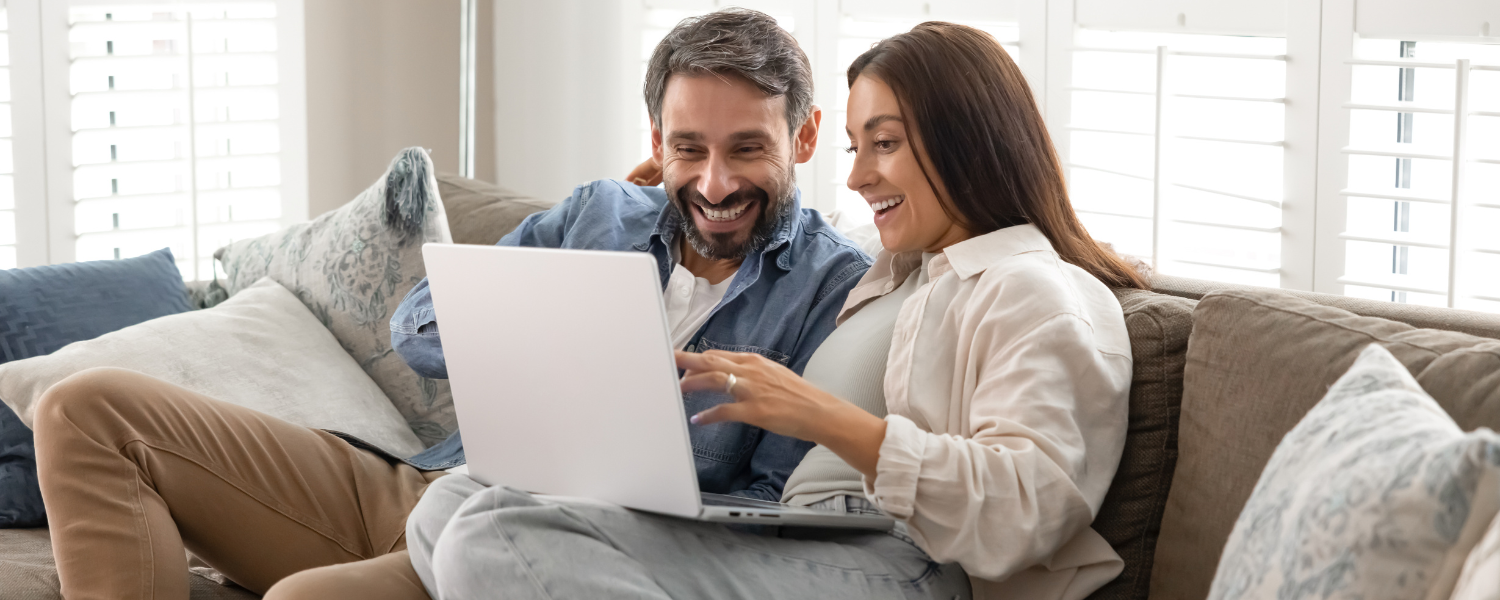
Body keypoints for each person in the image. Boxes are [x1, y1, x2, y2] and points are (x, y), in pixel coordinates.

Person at [29, 9, 871, 600]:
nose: (715, 183)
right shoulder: (601, 214)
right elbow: (419, 323)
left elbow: (771, 517)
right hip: (422, 477)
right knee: (83, 407)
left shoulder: (833, 286)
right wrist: (543, 332)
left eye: (747, 149)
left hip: (535, 539)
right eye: (690, 148)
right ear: (657, 142)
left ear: (801, 138)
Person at [404, 20, 1148, 600]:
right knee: (452, 507)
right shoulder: (905, 274)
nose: (855, 176)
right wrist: (672, 189)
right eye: (856, 146)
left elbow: (1030, 510)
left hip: (899, 563)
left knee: (488, 539)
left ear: (969, 142)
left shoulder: (1035, 290)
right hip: (794, 533)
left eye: (882, 144)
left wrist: (820, 416)